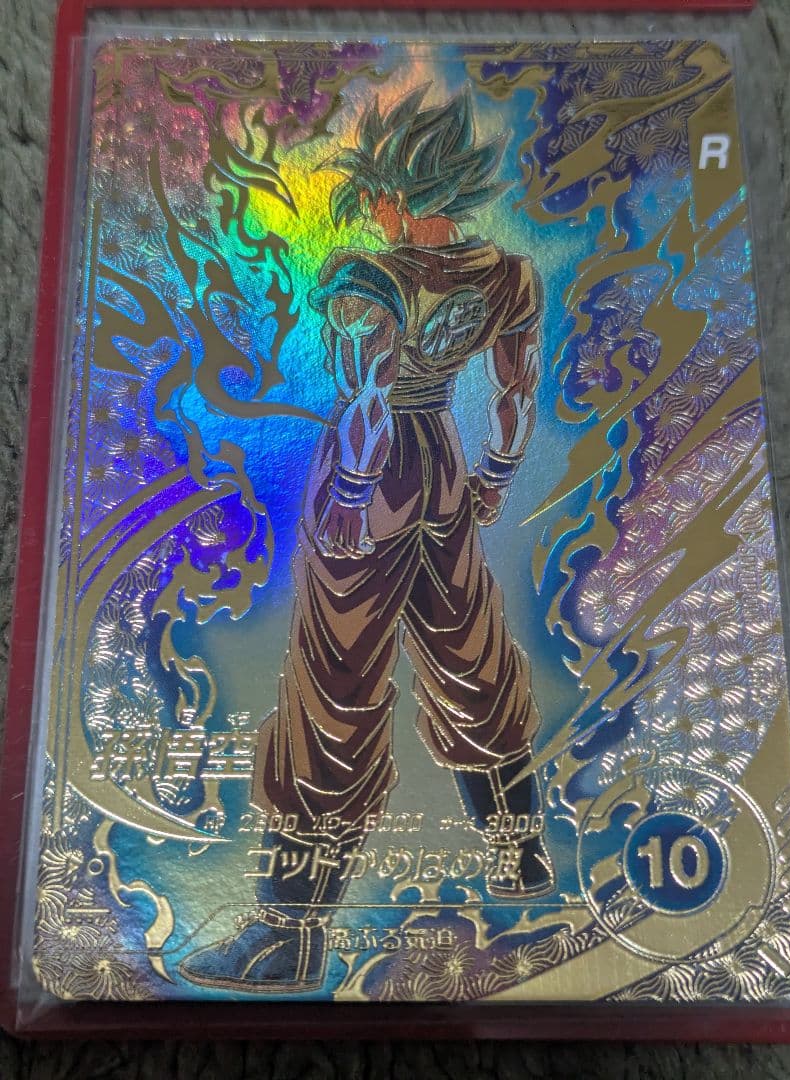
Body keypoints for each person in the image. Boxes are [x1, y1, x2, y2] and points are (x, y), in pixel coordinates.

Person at [180, 84, 554, 993]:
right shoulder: (508, 276)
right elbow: (514, 393)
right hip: (445, 468)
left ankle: (288, 934)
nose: (374, 213)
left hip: (373, 472)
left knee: (334, 686)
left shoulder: (369, 278)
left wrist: (350, 491)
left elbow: (369, 398)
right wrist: (495, 476)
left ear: (398, 192)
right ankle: (522, 861)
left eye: (378, 197)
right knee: (469, 652)